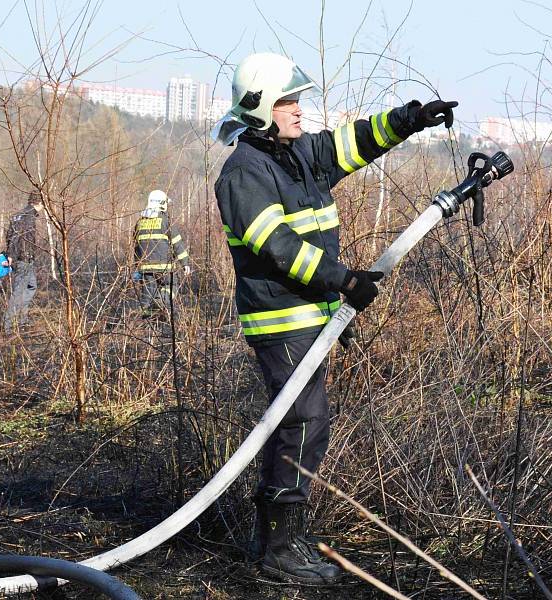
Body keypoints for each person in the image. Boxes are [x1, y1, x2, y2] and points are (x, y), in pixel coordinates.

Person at [213, 52, 457, 584]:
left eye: (298, 100)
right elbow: (276, 246)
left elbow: (354, 142)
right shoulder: (244, 173)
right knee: (304, 422)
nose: (298, 110)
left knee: (299, 424)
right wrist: (343, 281)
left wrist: (411, 118)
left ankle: (277, 537)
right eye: (286, 102)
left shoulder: (300, 155)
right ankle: (279, 550)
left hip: (310, 317)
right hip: (281, 320)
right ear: (258, 108)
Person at [133, 189, 194, 319]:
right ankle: (162, 301)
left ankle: (146, 322)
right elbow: (177, 244)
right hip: (165, 267)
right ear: (162, 203)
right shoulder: (166, 221)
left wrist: (136, 267)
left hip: (145, 267)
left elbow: (136, 246)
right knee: (171, 286)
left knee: (147, 294)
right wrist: (185, 264)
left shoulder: (139, 223)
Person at [3, 191, 43, 333]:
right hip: (23, 259)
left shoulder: (18, 215)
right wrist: (11, 256)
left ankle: (22, 320)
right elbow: (15, 237)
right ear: (39, 203)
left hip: (27, 259)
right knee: (18, 292)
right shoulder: (27, 217)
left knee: (31, 286)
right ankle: (8, 327)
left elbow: (9, 235)